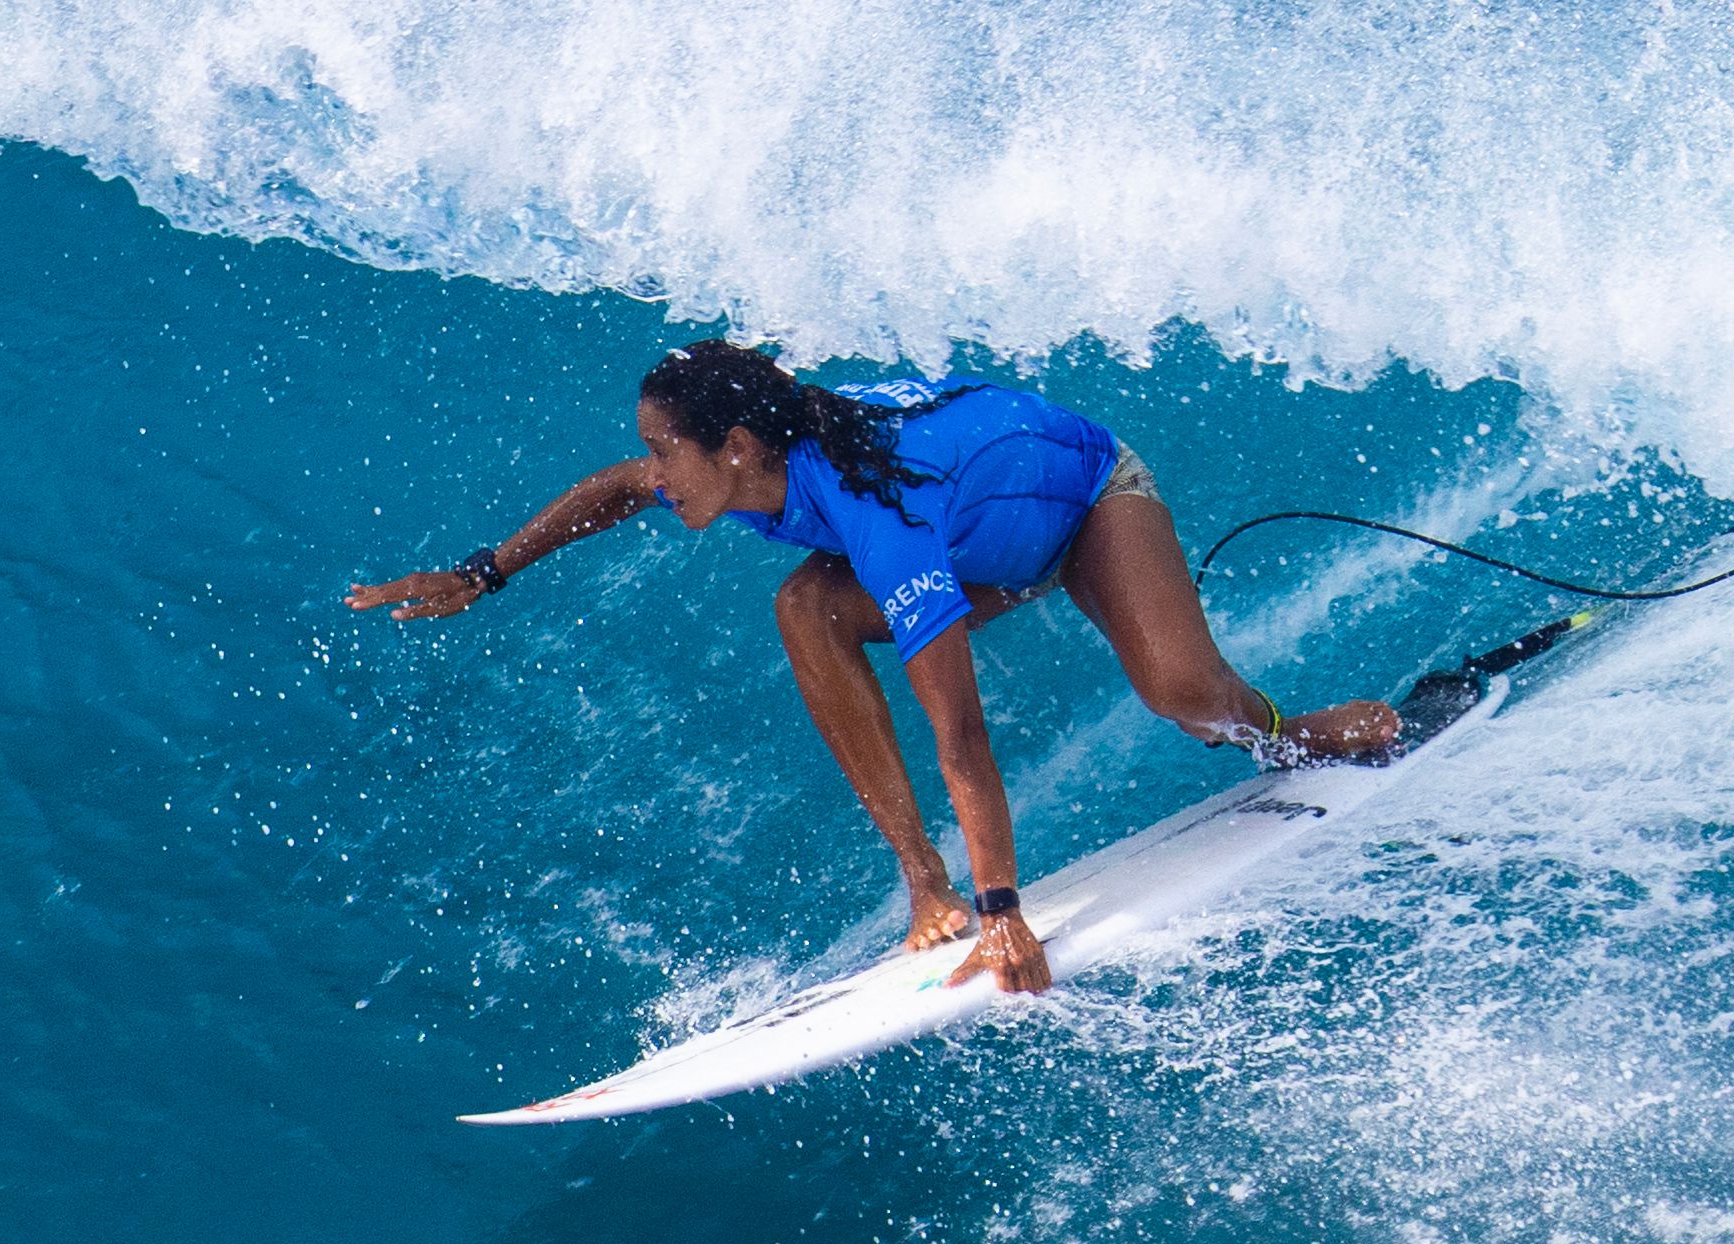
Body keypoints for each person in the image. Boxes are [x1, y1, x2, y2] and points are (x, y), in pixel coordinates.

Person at [345, 340, 1403, 995]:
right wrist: (486, 572)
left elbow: (961, 732)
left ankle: (1293, 733)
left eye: (673, 451)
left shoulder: (882, 524)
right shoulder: (742, 465)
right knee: (804, 603)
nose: (659, 472)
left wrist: (1006, 909)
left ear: (743, 446)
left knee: (1187, 698)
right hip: (970, 527)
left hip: (1077, 500)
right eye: (658, 448)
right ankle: (919, 883)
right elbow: (615, 487)